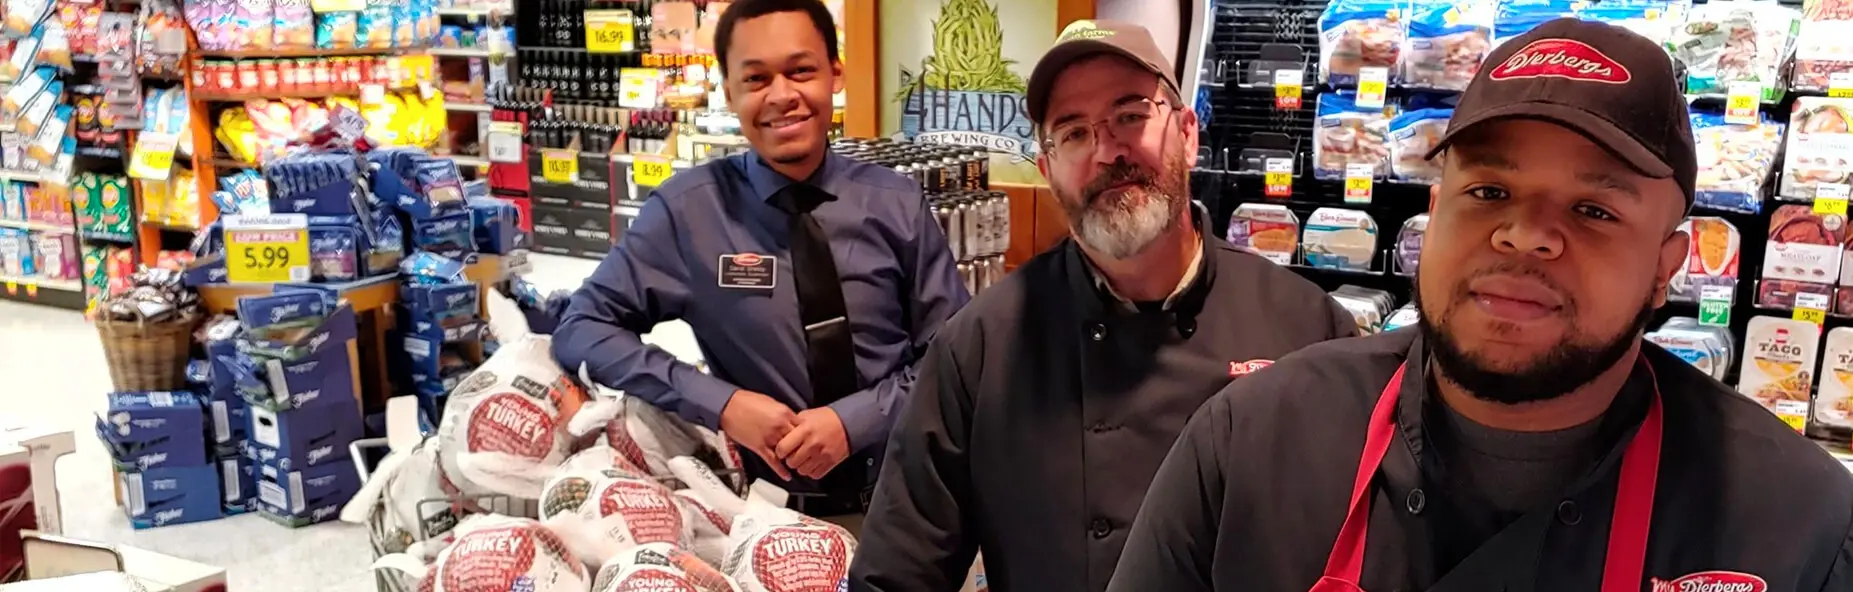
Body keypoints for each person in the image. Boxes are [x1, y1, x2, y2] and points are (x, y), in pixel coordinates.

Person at [1109, 18, 1853, 592]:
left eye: (1594, 209)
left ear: (1666, 267)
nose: (1525, 235)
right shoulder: (1249, 442)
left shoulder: (1795, 521)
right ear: (1435, 216)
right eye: (1488, 192)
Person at [850, 20, 1359, 592]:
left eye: (1130, 115)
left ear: (1188, 132)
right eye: (1072, 133)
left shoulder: (1308, 328)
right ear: (1046, 172)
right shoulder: (980, 348)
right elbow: (897, 573)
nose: (1106, 150)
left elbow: (1361, 544)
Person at [551, 0, 968, 530]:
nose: (781, 96)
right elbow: (582, 329)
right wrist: (721, 402)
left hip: (907, 506)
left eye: (801, 71)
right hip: (758, 522)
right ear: (730, 92)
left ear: (834, 75)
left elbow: (954, 363)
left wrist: (854, 421)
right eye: (756, 78)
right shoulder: (689, 213)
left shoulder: (896, 204)